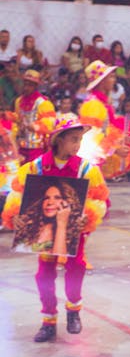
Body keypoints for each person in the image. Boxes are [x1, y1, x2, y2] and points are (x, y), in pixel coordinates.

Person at [2, 117, 108, 342]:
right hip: (43, 231)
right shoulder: (36, 167)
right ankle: (48, 320)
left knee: (76, 266)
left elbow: (100, 199)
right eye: (73, 140)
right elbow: (18, 194)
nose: (77, 145)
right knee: (44, 273)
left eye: (79, 140)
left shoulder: (86, 169)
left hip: (73, 231)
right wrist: (15, 214)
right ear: (58, 140)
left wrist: (88, 216)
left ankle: (74, 311)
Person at [14, 70, 56, 163]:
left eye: (30, 85)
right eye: (25, 84)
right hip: (21, 146)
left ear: (36, 86)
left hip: (37, 147)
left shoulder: (43, 103)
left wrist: (35, 126)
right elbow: (17, 120)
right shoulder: (19, 101)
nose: (26, 87)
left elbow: (49, 124)